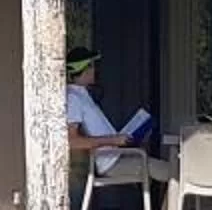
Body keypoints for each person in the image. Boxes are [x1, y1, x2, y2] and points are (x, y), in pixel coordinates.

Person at [65, 53, 164, 196]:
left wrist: (122, 138)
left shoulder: (82, 94)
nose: (95, 71)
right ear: (85, 69)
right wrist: (113, 140)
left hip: (117, 155)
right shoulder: (73, 98)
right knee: (174, 172)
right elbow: (72, 141)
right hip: (110, 162)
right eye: (92, 66)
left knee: (177, 173)